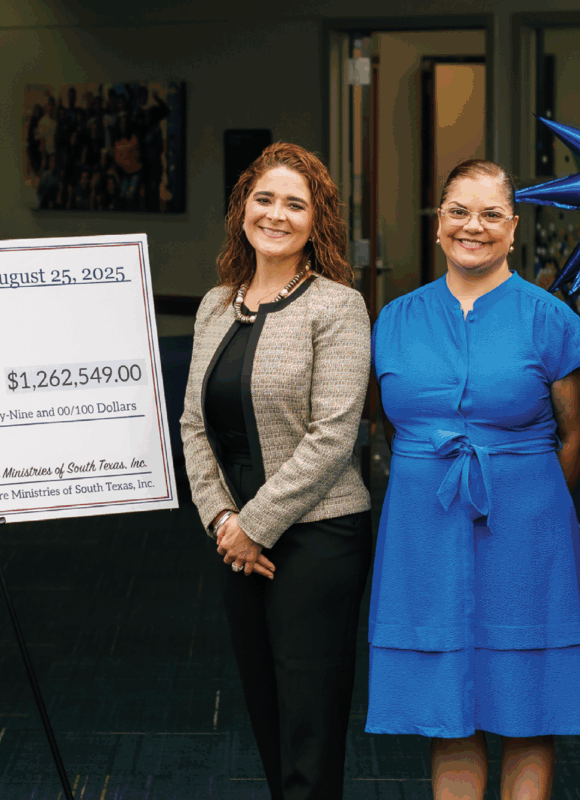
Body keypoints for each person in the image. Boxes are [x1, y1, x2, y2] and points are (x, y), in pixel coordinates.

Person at [367, 159, 580, 800]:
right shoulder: (395, 320)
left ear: (514, 228)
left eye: (491, 213)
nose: (475, 226)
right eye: (460, 211)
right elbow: (392, 427)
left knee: (527, 709)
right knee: (449, 710)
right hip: (423, 528)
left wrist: (536, 505)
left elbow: (575, 434)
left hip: (526, 531)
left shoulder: (550, 319)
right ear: (438, 224)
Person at [177, 141, 372, 800]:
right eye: (265, 199)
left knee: (309, 728)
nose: (277, 214)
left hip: (319, 536)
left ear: (318, 221)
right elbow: (194, 426)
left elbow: (333, 438)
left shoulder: (337, 306)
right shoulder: (214, 305)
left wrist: (253, 526)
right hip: (237, 542)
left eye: (297, 203)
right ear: (242, 210)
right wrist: (223, 521)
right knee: (265, 711)